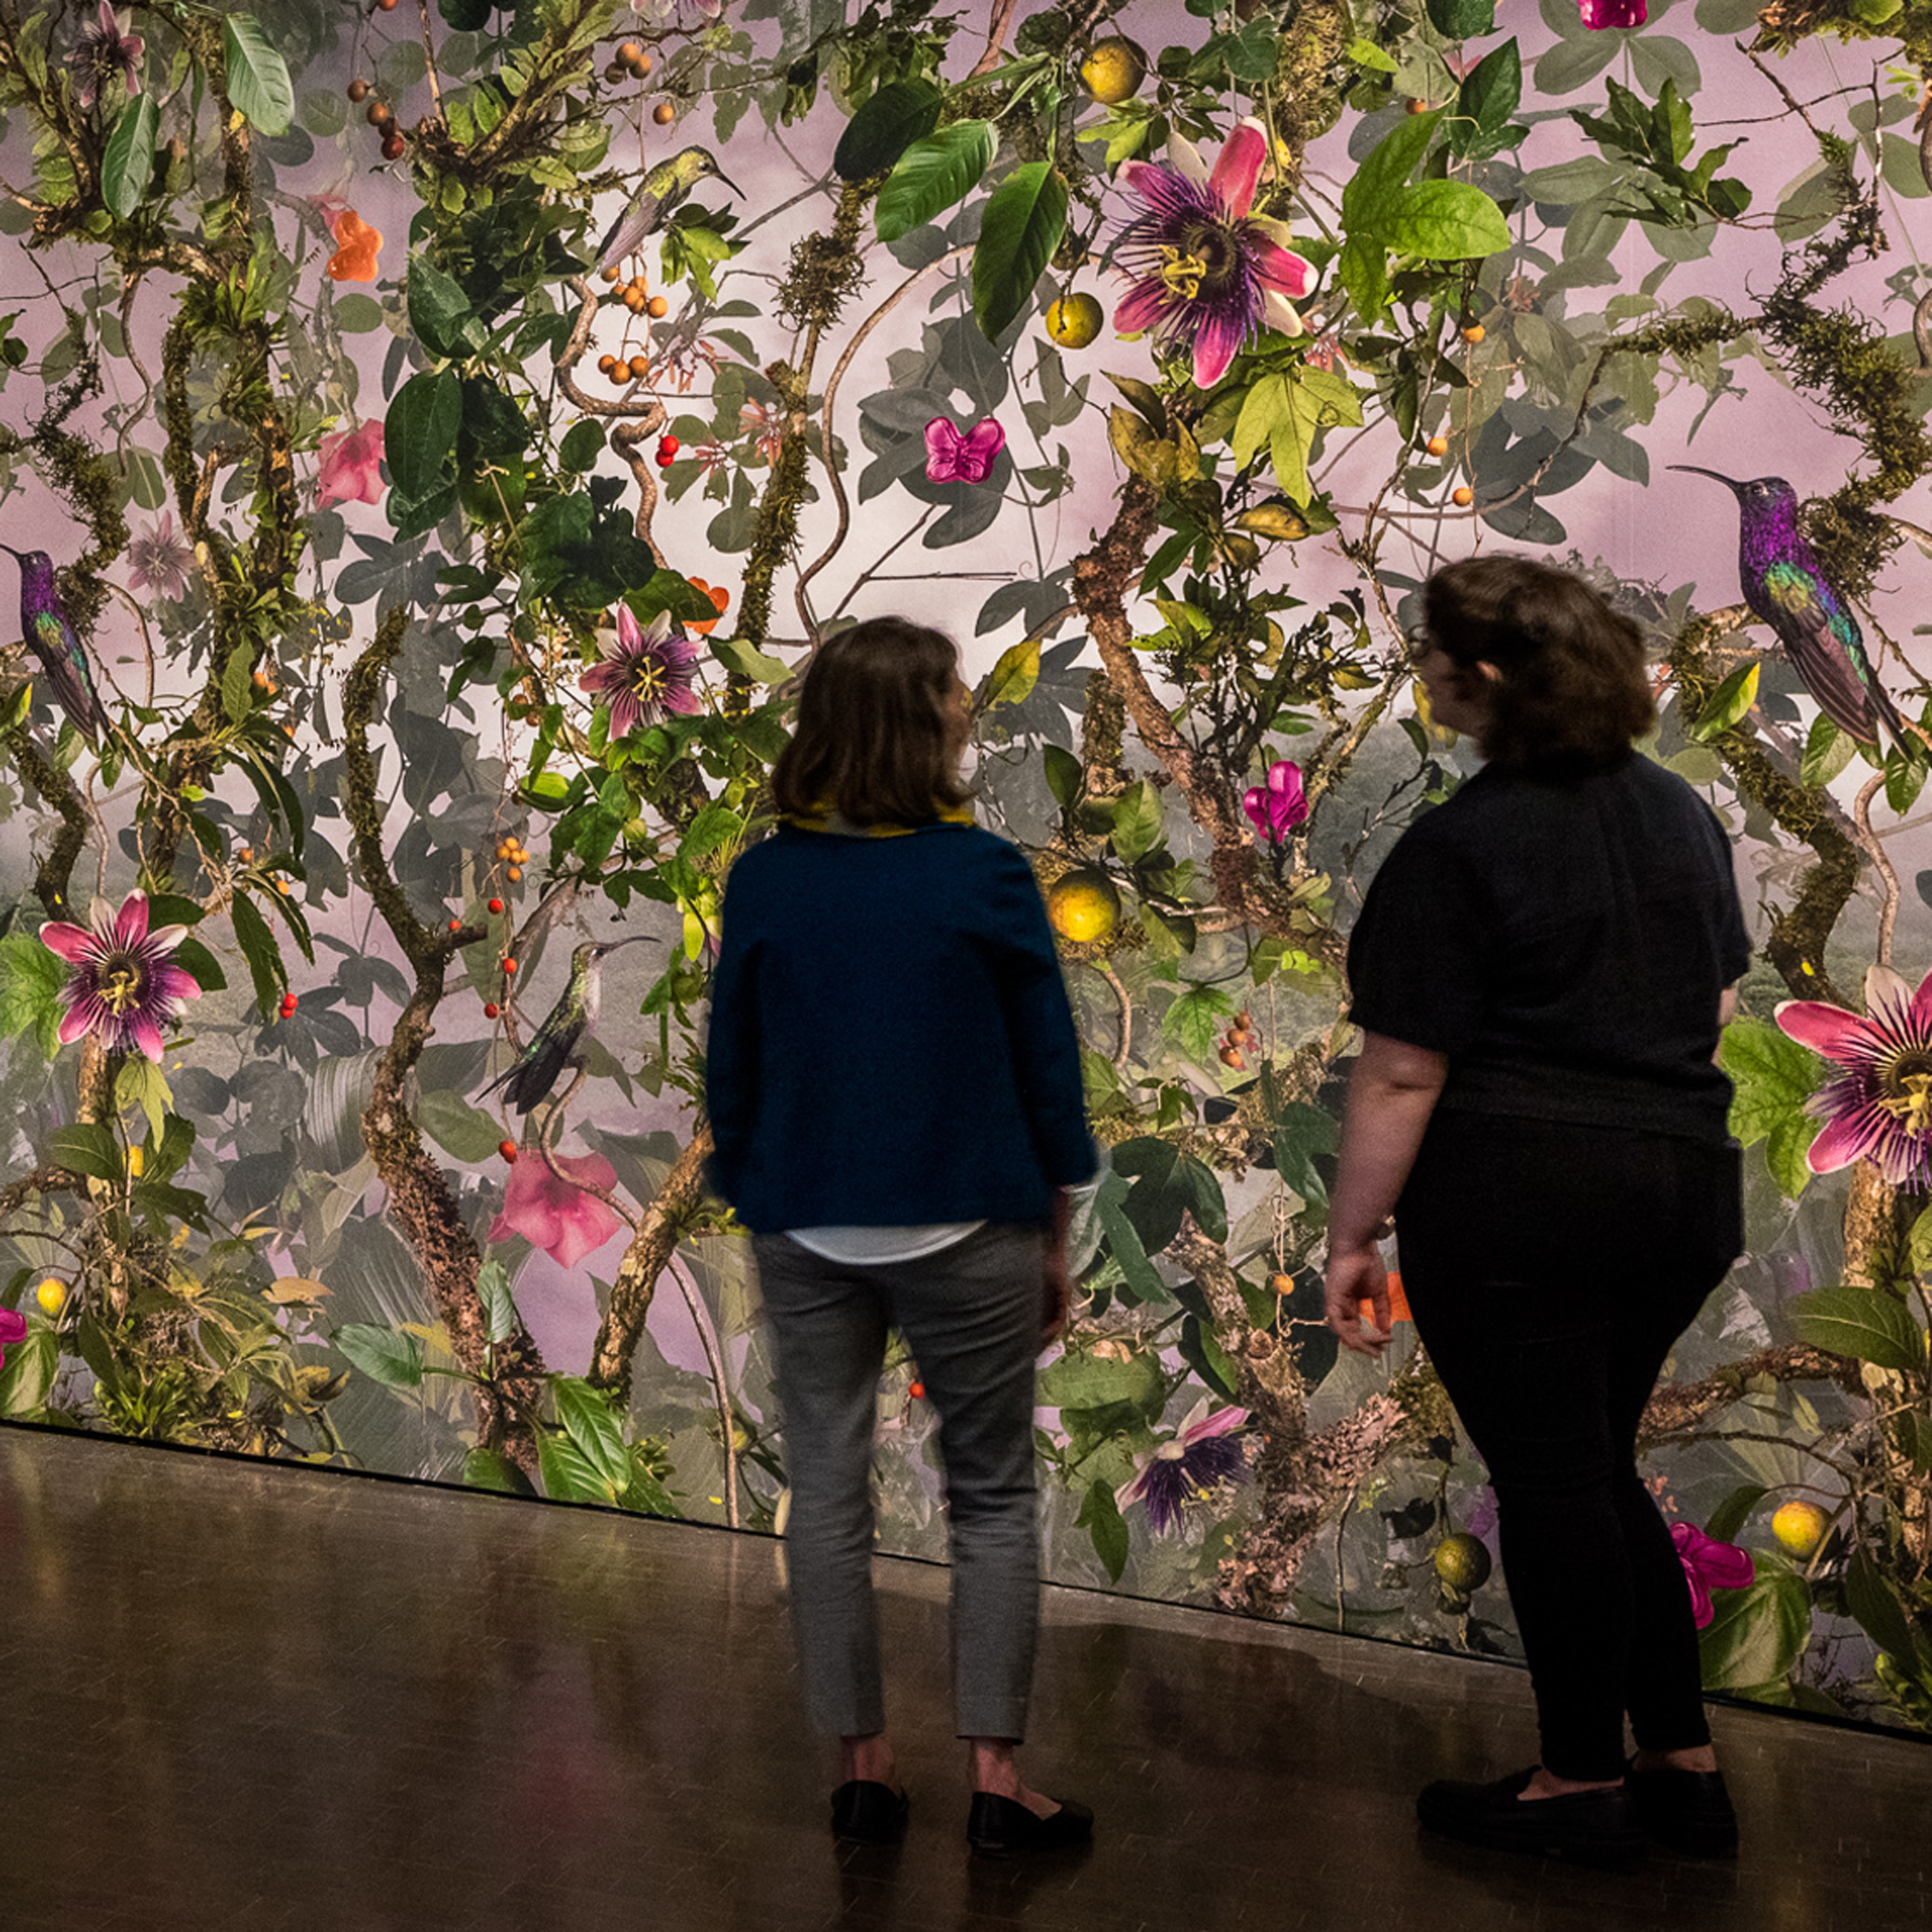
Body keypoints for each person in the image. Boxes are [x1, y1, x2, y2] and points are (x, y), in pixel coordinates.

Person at [1323, 557, 1748, 1871]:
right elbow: (1712, 1001)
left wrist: (1351, 1238)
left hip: (1524, 1202)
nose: (1426, 674)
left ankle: (1579, 1779)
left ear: (1489, 679)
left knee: (1556, 1481)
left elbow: (1402, 1069)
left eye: (1437, 655)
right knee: (1598, 1464)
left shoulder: (1462, 844)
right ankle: (1681, 1764)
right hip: (1682, 1189)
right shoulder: (1682, 813)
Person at [705, 615, 1100, 1857]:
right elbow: (1048, 1072)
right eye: (957, 702)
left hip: (808, 1218)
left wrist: (761, 1184)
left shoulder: (767, 876)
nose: (970, 716)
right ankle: (997, 1786)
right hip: (969, 1216)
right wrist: (1058, 1223)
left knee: (825, 1492)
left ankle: (861, 1775)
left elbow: (735, 1071)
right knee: (988, 1497)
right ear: (925, 725)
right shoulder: (982, 873)